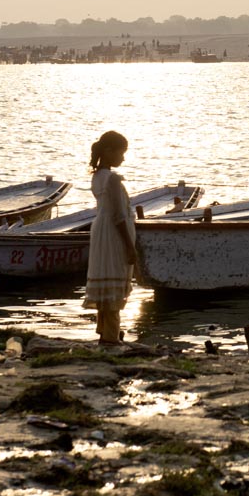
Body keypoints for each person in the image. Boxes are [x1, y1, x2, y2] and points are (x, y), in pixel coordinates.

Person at [84, 130, 137, 346]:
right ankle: (111, 337)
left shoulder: (98, 176)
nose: (123, 158)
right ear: (109, 151)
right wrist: (130, 246)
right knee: (115, 278)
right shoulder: (113, 179)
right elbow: (118, 217)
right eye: (121, 153)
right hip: (113, 235)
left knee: (105, 277)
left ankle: (104, 331)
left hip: (100, 232)